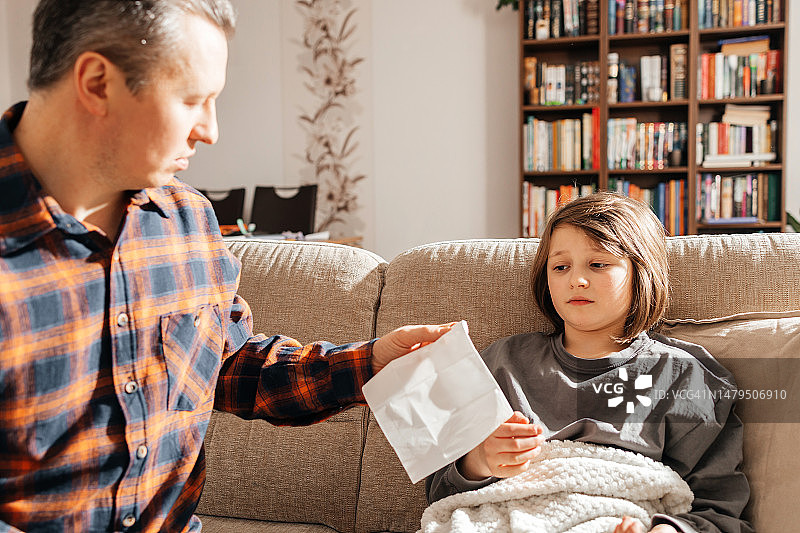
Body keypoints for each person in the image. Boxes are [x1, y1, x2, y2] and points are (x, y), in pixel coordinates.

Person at [0, 1, 453, 531]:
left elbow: (226, 365)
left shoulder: (186, 221)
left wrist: (371, 361)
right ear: (98, 83)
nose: (211, 130)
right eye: (195, 99)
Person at [426, 192, 753, 533]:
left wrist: (667, 530)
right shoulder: (502, 364)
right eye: (561, 266)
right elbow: (439, 492)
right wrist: (479, 460)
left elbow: (719, 507)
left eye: (598, 264)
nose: (576, 280)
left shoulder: (683, 377)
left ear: (641, 272)